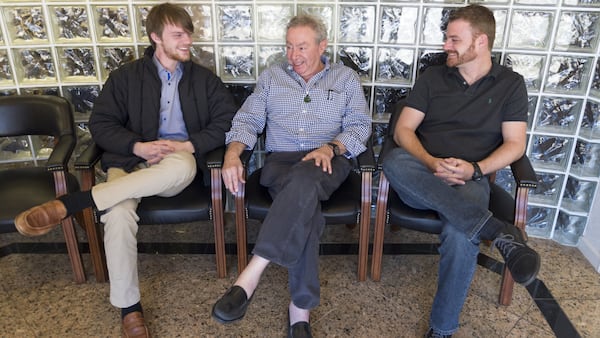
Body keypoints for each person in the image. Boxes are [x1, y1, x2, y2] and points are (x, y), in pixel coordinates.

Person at [14, 3, 237, 337]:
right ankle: (129, 309)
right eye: (178, 34)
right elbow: (101, 124)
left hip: (176, 165)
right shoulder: (125, 78)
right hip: (130, 162)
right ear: (156, 37)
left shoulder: (204, 80)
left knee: (180, 167)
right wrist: (138, 146)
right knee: (117, 213)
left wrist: (187, 145)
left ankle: (75, 202)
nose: (187, 40)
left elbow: (226, 121)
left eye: (188, 33)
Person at [381, 5, 541, 338]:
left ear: (481, 41)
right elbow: (403, 131)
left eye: (454, 39)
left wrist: (475, 169)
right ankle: (497, 231)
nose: (446, 46)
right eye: (446, 38)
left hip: (470, 180)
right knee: (395, 160)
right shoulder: (434, 78)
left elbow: (515, 144)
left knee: (459, 231)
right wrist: (429, 161)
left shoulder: (510, 85)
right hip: (421, 175)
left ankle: (441, 330)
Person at [211, 14, 371, 338]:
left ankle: (251, 275)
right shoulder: (272, 78)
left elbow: (360, 126)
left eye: (302, 46)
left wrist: (332, 147)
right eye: (289, 46)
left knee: (307, 179)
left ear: (322, 46)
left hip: (327, 159)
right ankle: (300, 311)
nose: (294, 55)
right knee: (304, 204)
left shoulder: (345, 78)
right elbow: (248, 120)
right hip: (281, 163)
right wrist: (231, 155)